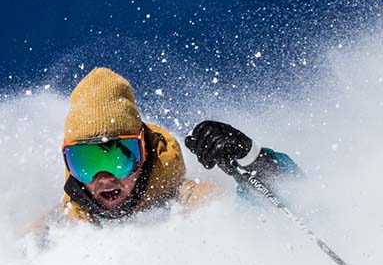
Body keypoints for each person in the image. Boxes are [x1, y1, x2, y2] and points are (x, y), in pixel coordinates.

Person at [54, 67, 298, 224]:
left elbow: (286, 212)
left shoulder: (189, 204)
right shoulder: (63, 222)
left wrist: (253, 159)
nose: (104, 179)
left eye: (118, 160)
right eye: (86, 162)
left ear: (144, 153)